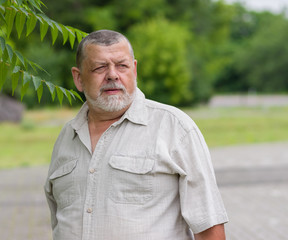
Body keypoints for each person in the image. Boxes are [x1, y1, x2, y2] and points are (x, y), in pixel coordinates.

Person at [44, 29, 228, 240]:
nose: (112, 75)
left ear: (134, 70)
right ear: (78, 78)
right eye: (100, 67)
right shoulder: (67, 137)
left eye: (122, 66)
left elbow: (209, 228)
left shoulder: (175, 128)